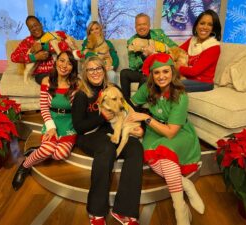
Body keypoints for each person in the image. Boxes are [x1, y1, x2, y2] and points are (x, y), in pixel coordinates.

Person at [128, 53, 205, 225]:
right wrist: (131, 120)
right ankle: (185, 184)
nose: (161, 76)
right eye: (157, 73)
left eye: (165, 71)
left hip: (178, 132)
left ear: (172, 72)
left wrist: (145, 118)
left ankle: (180, 208)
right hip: (154, 131)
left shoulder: (181, 95)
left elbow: (171, 132)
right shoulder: (148, 88)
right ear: (152, 75)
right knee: (149, 156)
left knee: (165, 155)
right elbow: (130, 105)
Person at [72, 56, 143, 225]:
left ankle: (124, 210)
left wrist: (139, 128)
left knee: (135, 149)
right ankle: (96, 211)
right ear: (85, 73)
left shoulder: (114, 89)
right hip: (88, 135)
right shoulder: (82, 95)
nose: (95, 72)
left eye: (99, 68)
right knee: (107, 148)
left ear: (104, 71)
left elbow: (127, 109)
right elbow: (79, 126)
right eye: (91, 69)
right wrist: (101, 117)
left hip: (113, 131)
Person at [12, 51, 79, 191]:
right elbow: (43, 106)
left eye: (69, 63)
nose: (65, 65)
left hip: (68, 123)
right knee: (48, 149)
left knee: (59, 154)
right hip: (52, 121)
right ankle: (24, 166)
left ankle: (37, 151)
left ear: (73, 67)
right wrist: (51, 127)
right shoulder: (46, 81)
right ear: (56, 62)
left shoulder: (76, 84)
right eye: (62, 60)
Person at [120, 13, 177, 100]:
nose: (141, 27)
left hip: (157, 70)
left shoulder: (158, 34)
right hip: (141, 70)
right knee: (124, 73)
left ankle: (137, 105)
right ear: (135, 27)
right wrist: (144, 55)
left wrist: (158, 50)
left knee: (146, 78)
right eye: (139, 25)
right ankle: (127, 103)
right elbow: (132, 65)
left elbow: (174, 47)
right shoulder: (132, 41)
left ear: (149, 25)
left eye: (144, 24)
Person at [11, 15, 81, 85]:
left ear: (41, 24)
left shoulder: (50, 35)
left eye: (36, 25)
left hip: (59, 70)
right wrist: (34, 57)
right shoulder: (27, 42)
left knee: (76, 83)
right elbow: (14, 57)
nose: (34, 28)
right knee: (50, 82)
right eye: (31, 27)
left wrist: (44, 46)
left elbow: (65, 48)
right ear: (29, 30)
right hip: (42, 74)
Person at [176, 9, 222, 92]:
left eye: (210, 25)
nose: (204, 27)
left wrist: (178, 67)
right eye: (202, 23)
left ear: (213, 28)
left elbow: (194, 71)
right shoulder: (192, 40)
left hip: (203, 82)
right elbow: (177, 51)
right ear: (197, 25)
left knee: (169, 85)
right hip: (187, 78)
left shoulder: (214, 47)